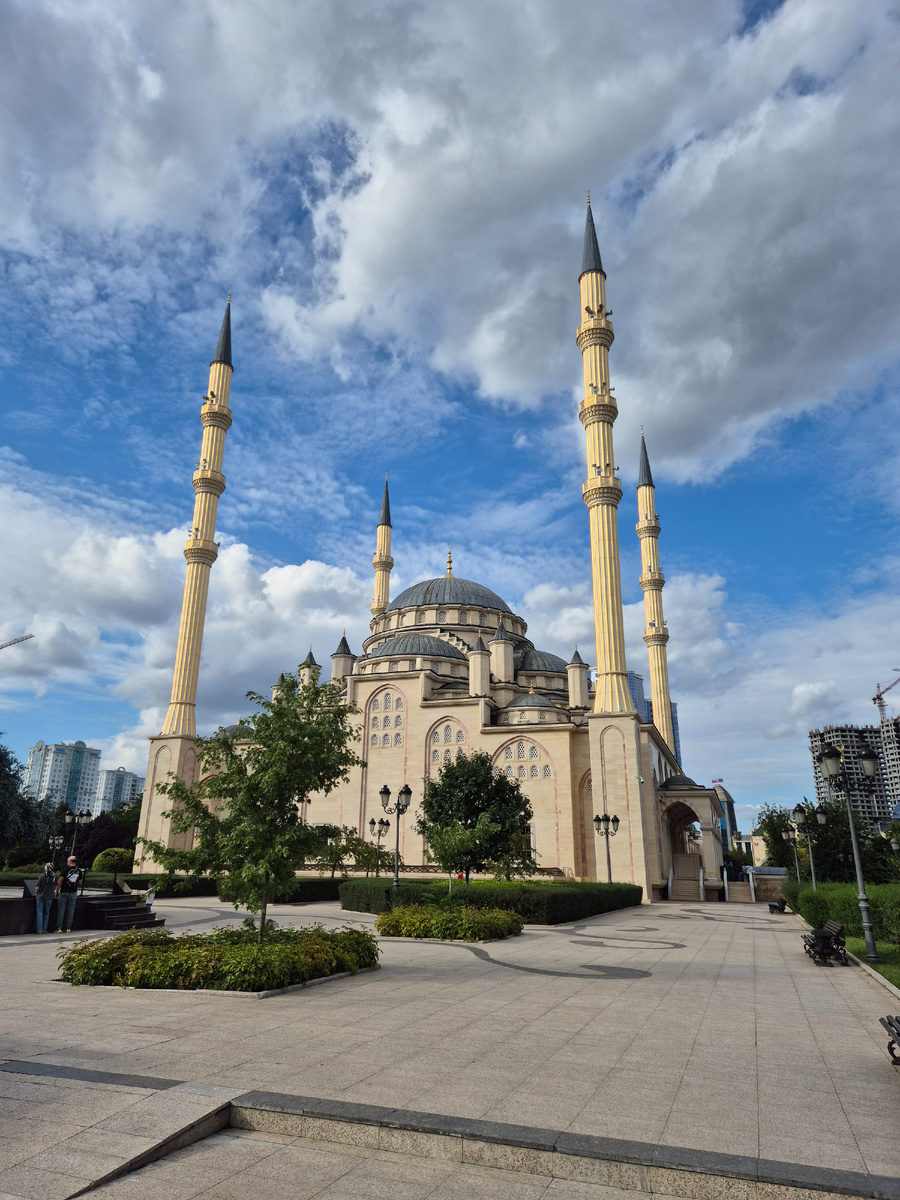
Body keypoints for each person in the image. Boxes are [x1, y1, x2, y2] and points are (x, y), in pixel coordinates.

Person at [54, 856, 81, 933]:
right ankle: (68, 927)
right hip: (73, 892)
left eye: (67, 861)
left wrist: (56, 891)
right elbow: (80, 883)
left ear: (70, 861)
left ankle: (59, 928)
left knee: (61, 909)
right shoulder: (79, 871)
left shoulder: (65, 870)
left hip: (64, 892)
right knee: (71, 910)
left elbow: (60, 881)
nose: (67, 862)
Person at [34, 863, 56, 934]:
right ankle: (44, 929)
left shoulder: (42, 876)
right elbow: (56, 886)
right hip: (49, 897)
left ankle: (39, 930)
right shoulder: (54, 877)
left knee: (39, 913)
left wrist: (36, 894)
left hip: (41, 897)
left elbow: (37, 887)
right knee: (47, 913)